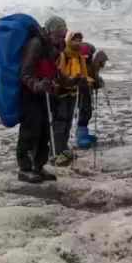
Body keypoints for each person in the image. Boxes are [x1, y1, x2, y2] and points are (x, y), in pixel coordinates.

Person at [17, 15, 68, 183]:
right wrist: (37, 85)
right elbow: (25, 72)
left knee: (45, 130)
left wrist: (55, 84)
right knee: (30, 130)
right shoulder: (36, 44)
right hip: (31, 95)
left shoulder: (52, 47)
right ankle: (25, 168)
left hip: (45, 94)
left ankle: (38, 166)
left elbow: (51, 71)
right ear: (52, 31)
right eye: (61, 31)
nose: (63, 35)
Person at [50, 31, 92, 166]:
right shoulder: (63, 56)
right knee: (60, 122)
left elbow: (85, 76)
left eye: (80, 40)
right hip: (62, 94)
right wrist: (73, 81)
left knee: (67, 123)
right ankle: (55, 151)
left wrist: (90, 82)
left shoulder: (80, 58)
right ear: (69, 41)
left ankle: (63, 148)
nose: (78, 42)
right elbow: (59, 74)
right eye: (75, 40)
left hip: (73, 94)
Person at [76, 42, 109, 148]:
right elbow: (87, 80)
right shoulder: (90, 66)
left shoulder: (93, 66)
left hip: (85, 91)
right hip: (82, 91)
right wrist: (96, 82)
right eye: (103, 62)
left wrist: (97, 82)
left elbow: (93, 82)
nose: (104, 64)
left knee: (87, 111)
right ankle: (81, 137)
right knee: (84, 111)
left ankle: (83, 134)